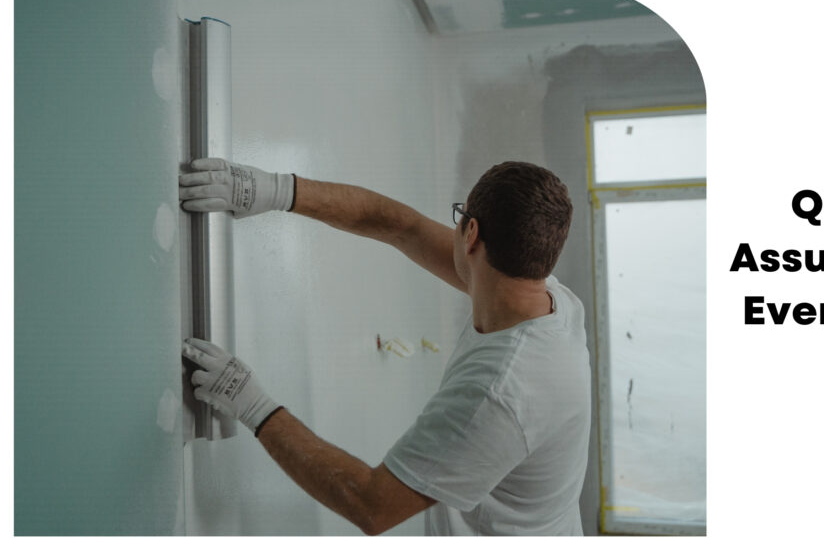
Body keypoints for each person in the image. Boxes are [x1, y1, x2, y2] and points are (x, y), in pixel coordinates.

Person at [179, 158, 592, 535]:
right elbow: (403, 226)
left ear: (471, 233)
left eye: (459, 217)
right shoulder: (544, 299)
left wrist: (251, 405)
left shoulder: (501, 394)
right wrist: (277, 191)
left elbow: (370, 504)